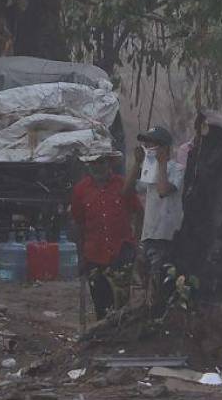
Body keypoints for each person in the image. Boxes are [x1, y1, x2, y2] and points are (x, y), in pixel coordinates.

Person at [71, 151, 139, 320]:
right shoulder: (80, 189)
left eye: (101, 162)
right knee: (101, 304)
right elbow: (78, 223)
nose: (97, 167)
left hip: (121, 252)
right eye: (93, 163)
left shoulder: (123, 185)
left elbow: (139, 212)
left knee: (121, 303)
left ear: (109, 163)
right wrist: (81, 256)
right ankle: (104, 341)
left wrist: (135, 244)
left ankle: (121, 340)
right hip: (93, 254)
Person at [126, 125, 185, 313]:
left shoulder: (177, 169)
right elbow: (127, 191)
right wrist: (137, 163)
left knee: (160, 280)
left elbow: (162, 191)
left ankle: (159, 315)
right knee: (141, 279)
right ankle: (141, 313)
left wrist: (161, 163)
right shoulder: (148, 170)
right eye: (146, 145)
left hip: (166, 235)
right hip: (148, 233)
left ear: (164, 147)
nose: (148, 148)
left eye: (152, 145)